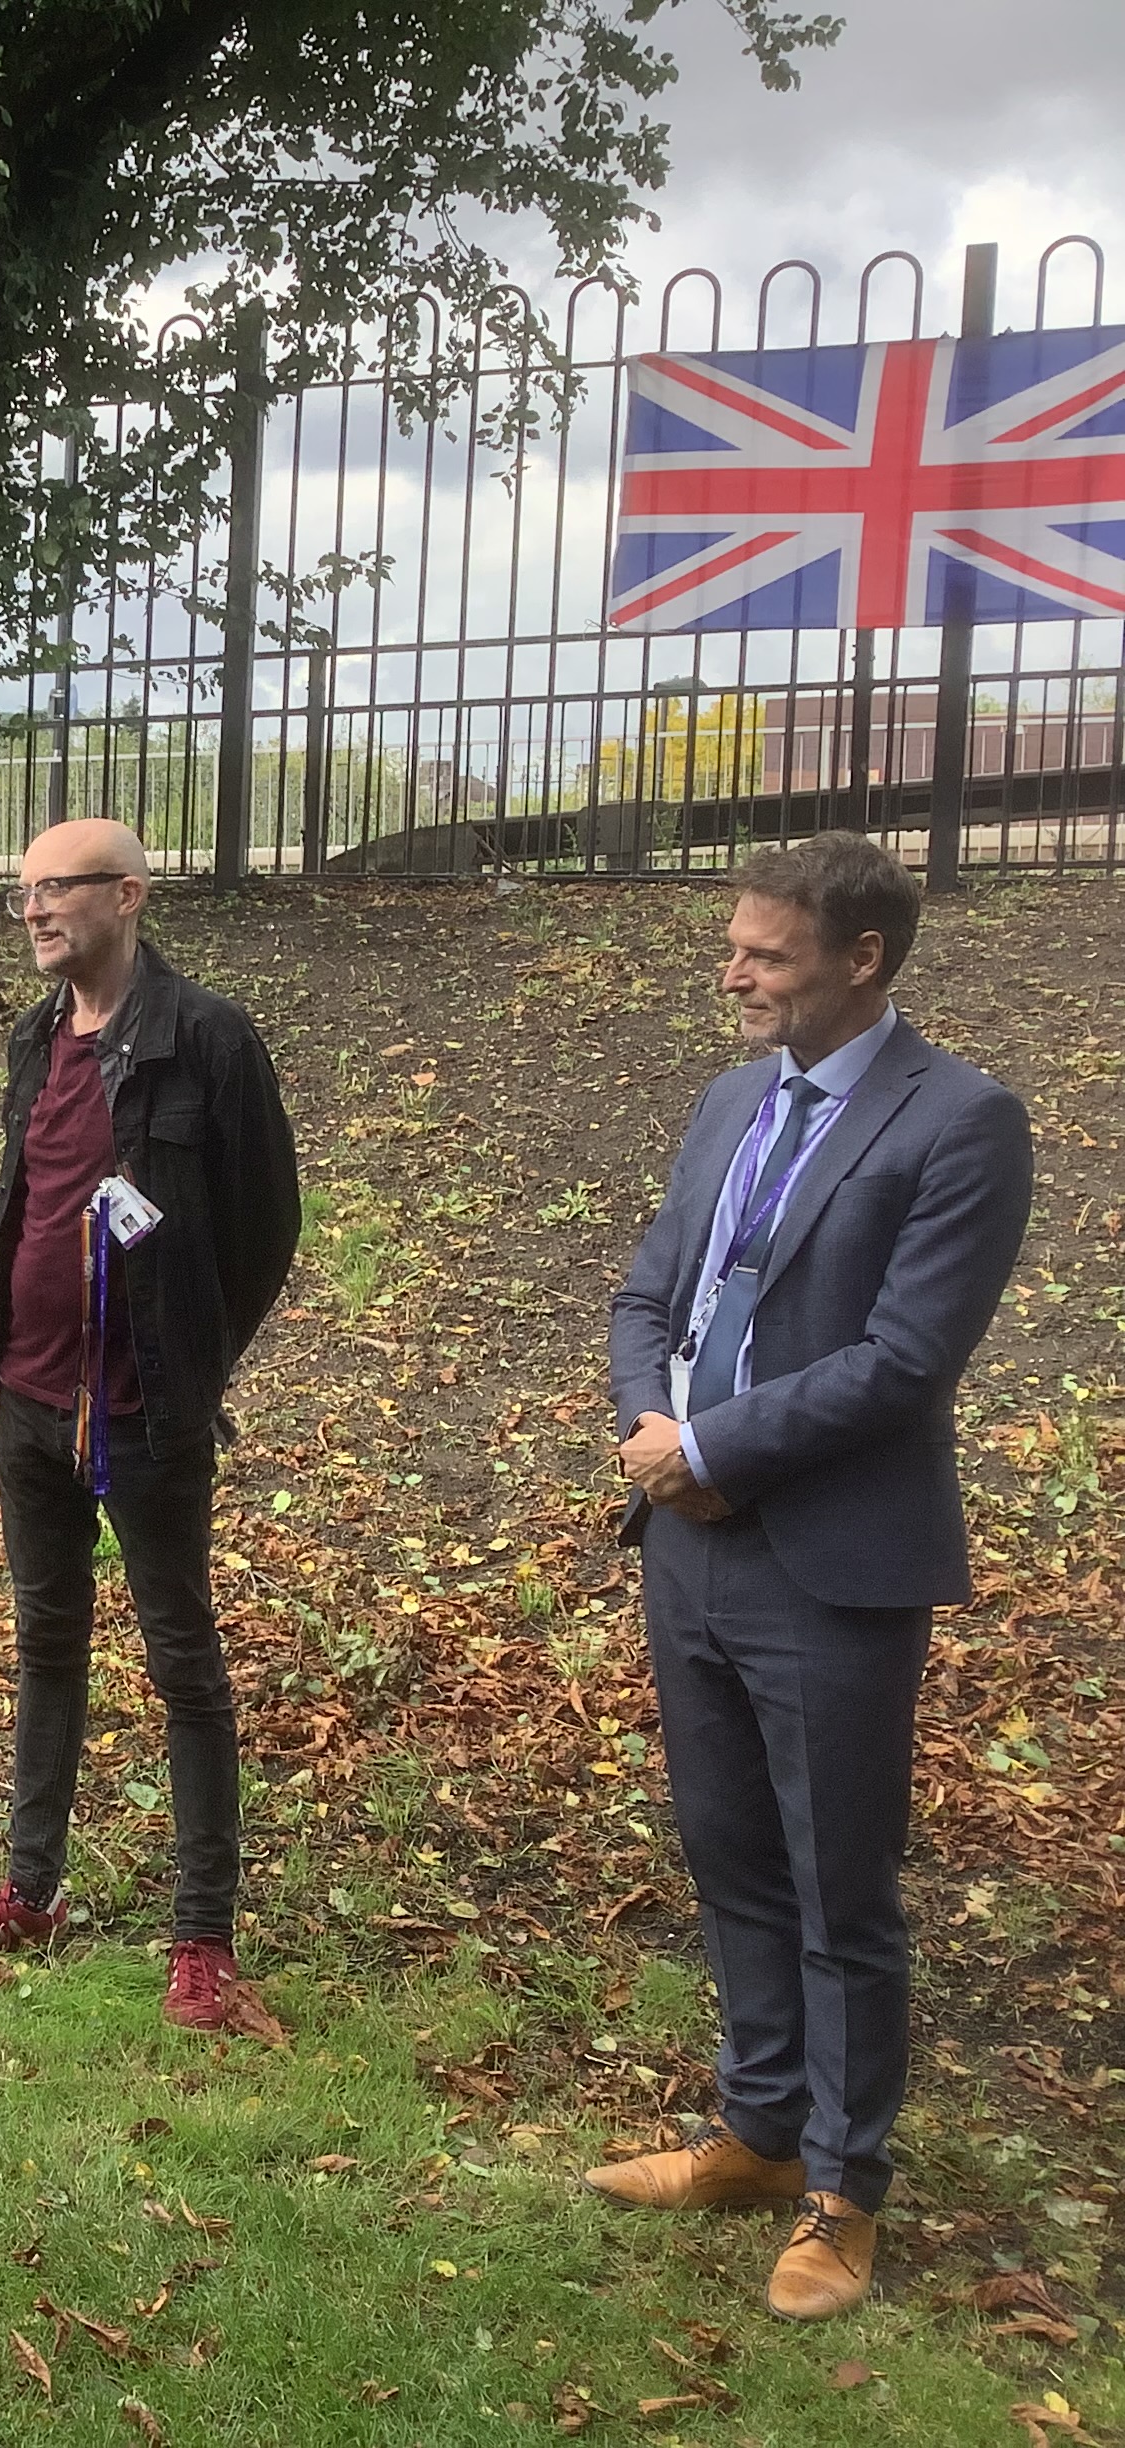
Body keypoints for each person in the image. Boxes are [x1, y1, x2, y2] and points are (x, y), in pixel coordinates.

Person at [599, 833, 1029, 2322]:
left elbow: (906, 1359)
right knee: (728, 1852)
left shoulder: (961, 1121)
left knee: (839, 1886)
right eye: (734, 947)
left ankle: (845, 2191)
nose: (733, 974)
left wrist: (715, 1445)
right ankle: (759, 2130)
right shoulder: (731, 1100)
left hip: (831, 1566)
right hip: (688, 1546)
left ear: (863, 959)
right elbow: (648, 1290)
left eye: (765, 955)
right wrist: (655, 1435)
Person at [0, 819, 299, 2031]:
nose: (34, 910)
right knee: (49, 1645)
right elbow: (27, 1201)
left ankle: (204, 1940)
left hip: (144, 1419)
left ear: (129, 896)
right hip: (30, 1402)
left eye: (57, 888)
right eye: (22, 892)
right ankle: (32, 1891)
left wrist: (188, 1360)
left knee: (184, 1665)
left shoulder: (208, 1040)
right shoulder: (35, 1038)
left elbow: (266, 1231)